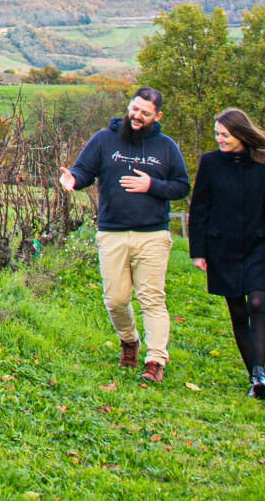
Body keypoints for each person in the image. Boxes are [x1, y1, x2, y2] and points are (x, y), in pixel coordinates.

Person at [58, 86, 190, 383]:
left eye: (145, 113)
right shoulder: (105, 139)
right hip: (113, 233)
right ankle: (129, 341)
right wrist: (72, 180)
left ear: (157, 116)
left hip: (153, 234)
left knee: (152, 299)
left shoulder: (166, 147)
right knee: (115, 300)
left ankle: (156, 360)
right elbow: (83, 171)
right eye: (134, 109)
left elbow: (182, 186)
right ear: (129, 107)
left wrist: (152, 186)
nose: (137, 116)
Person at [188, 107, 265, 398]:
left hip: (257, 246)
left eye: (225, 135)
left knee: (257, 303)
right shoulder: (210, 163)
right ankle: (253, 374)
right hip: (222, 248)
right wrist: (199, 251)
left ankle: (260, 372)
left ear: (241, 134)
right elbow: (199, 209)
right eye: (217, 134)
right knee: (238, 310)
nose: (220, 139)